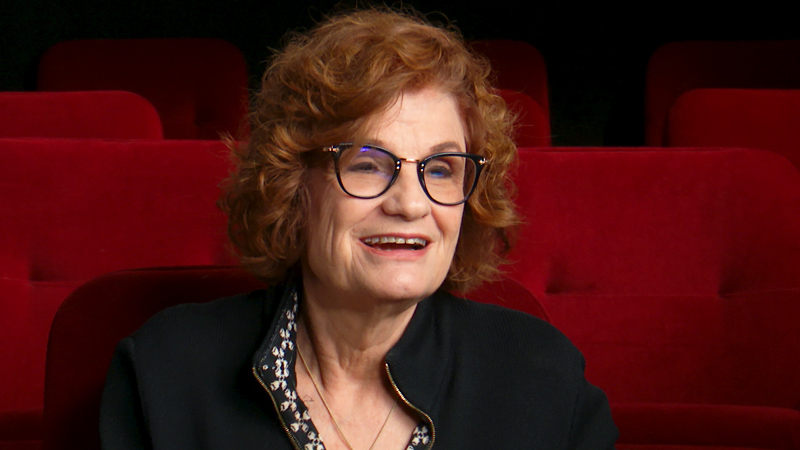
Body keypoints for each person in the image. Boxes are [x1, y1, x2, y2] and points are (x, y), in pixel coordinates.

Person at [100, 7, 618, 450]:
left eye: (441, 169)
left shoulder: (545, 381)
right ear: (293, 185)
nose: (410, 204)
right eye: (368, 164)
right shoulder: (165, 373)